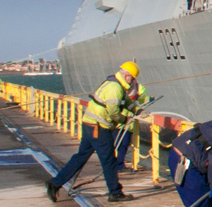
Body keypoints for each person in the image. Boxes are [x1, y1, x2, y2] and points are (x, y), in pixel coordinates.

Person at [47, 61, 142, 202]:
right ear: (127, 76)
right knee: (109, 160)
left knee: (81, 156)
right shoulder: (115, 88)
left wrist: (137, 109)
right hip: (98, 128)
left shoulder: (112, 83)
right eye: (133, 78)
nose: (133, 81)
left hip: (89, 124)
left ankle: (55, 183)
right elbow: (114, 111)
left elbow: (125, 101)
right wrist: (124, 120)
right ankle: (115, 193)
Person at [114, 88, 152, 171]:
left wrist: (149, 99)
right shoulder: (119, 87)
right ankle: (112, 164)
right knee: (115, 143)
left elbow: (142, 98)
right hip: (119, 121)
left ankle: (119, 164)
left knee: (124, 144)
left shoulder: (137, 86)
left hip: (129, 123)